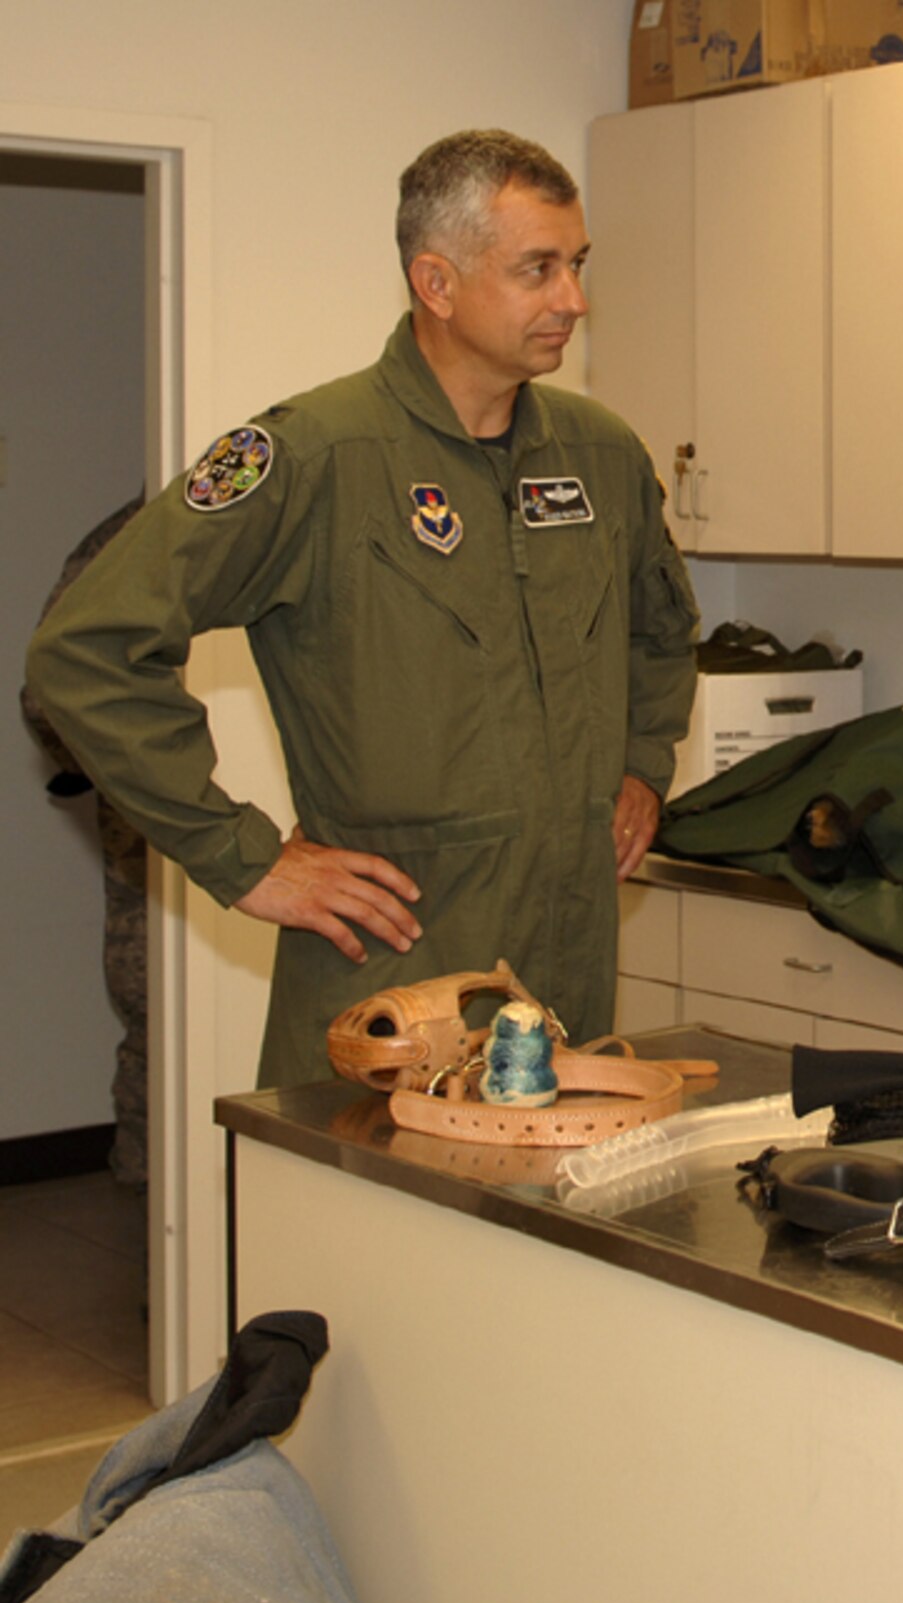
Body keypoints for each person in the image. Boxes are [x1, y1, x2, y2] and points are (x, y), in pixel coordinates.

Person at [26, 130, 699, 1090]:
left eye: (578, 265)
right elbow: (84, 652)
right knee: (369, 1238)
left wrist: (642, 763)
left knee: (538, 1239)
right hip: (394, 979)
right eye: (538, 269)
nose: (574, 300)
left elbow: (662, 630)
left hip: (565, 973)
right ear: (437, 282)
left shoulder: (599, 455)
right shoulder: (315, 457)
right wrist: (245, 856)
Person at [22, 494, 149, 1187]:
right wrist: (151, 780)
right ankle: (162, 1266)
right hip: (154, 839)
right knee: (160, 1034)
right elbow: (48, 692)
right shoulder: (139, 530)